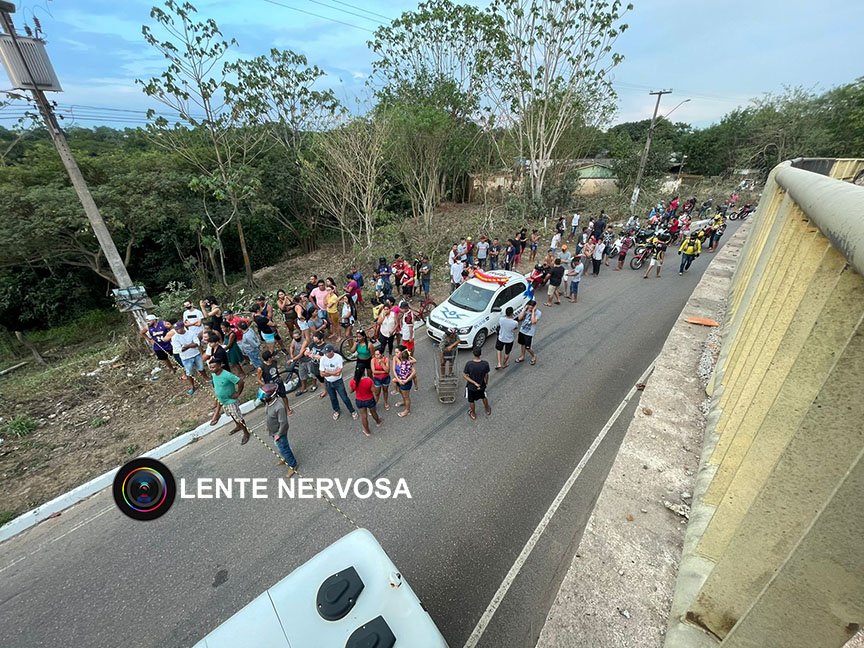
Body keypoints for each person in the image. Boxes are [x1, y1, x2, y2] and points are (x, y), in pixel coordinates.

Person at [208, 358, 249, 445]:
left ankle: (246, 433)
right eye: (210, 367)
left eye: (213, 367)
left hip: (230, 401)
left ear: (219, 366)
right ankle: (238, 426)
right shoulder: (214, 374)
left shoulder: (227, 375)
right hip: (222, 401)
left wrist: (238, 393)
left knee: (238, 417)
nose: (211, 369)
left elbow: (241, 382)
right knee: (231, 414)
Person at [261, 383, 298, 477]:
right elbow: (268, 415)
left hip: (279, 432)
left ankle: (293, 464)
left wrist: (279, 434)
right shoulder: (268, 403)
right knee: (279, 447)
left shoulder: (279, 407)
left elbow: (284, 423)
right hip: (273, 431)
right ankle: (285, 458)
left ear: (272, 395)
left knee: (284, 448)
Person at [316, 344, 357, 421]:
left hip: (338, 382)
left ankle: (352, 411)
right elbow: (321, 374)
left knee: (344, 398)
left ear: (331, 352)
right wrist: (333, 373)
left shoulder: (338, 358)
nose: (325, 354)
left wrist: (327, 372)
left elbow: (338, 373)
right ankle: (336, 410)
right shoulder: (323, 359)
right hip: (328, 382)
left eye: (327, 353)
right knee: (333, 398)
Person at [170, 320, 206, 395]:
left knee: (201, 368)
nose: (177, 330)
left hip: (196, 354)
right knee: (189, 372)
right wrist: (190, 345)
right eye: (176, 329)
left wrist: (186, 346)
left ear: (183, 327)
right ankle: (192, 386)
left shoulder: (191, 333)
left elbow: (197, 343)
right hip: (185, 358)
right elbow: (179, 349)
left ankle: (207, 379)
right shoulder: (174, 338)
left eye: (178, 329)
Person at [257, 349, 294, 415]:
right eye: (271, 357)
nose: (273, 357)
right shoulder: (261, 368)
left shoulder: (274, 362)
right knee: (271, 400)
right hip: (270, 386)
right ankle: (273, 413)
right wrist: (265, 386)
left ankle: (287, 409)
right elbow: (258, 379)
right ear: (269, 359)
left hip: (278, 382)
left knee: (284, 396)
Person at [348, 373, 382, 437]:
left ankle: (367, 431)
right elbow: (374, 390)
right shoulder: (368, 380)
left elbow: (350, 391)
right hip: (370, 399)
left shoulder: (353, 381)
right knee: (373, 412)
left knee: (364, 416)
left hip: (359, 400)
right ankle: (378, 422)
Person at [464, 346, 491, 420]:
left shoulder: (469, 364)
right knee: (483, 396)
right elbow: (486, 375)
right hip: (481, 385)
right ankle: (487, 409)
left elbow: (465, 376)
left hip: (471, 387)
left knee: (471, 401)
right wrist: (486, 382)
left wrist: (474, 383)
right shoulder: (485, 363)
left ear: (473, 353)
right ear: (480, 354)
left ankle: (473, 414)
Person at [515, 300, 541, 366]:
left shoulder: (538, 313)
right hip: (522, 330)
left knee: (528, 347)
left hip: (529, 333)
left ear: (534, 307)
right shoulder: (526, 310)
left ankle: (534, 356)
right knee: (522, 344)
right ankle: (522, 356)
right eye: (529, 307)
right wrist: (524, 310)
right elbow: (519, 318)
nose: (530, 308)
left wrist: (533, 312)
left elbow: (533, 322)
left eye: (531, 307)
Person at [392, 349, 416, 417]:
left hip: (405, 382)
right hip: (400, 380)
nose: (396, 354)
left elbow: (414, 372)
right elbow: (394, 369)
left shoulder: (407, 362)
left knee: (406, 397)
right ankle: (404, 402)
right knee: (402, 393)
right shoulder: (398, 360)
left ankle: (407, 410)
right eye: (395, 352)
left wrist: (406, 380)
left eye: (398, 352)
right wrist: (398, 380)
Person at [288, 329, 313, 394]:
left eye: (297, 336)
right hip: (301, 361)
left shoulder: (305, 341)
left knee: (312, 373)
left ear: (300, 335)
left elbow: (301, 354)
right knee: (302, 375)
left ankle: (314, 384)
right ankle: (303, 388)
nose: (296, 338)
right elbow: (291, 347)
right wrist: (291, 354)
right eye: (294, 337)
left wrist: (292, 360)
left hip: (308, 360)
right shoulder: (294, 340)